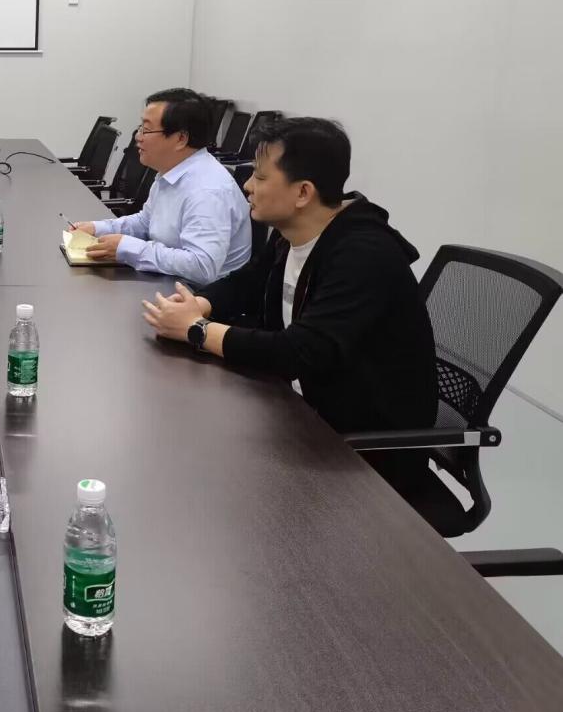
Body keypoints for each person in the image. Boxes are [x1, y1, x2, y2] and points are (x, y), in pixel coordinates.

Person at [141, 116, 438, 506]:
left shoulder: (363, 256)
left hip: (357, 455)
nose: (247, 185)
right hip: (297, 413)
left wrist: (197, 330)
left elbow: (300, 351)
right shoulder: (295, 234)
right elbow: (249, 281)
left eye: (261, 177)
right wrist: (199, 304)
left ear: (303, 192)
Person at [71, 88, 252, 284]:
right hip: (169, 283)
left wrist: (128, 249)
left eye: (147, 130)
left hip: (198, 295)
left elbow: (201, 267)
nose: (138, 137)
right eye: (140, 128)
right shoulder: (171, 172)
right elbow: (145, 223)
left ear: (180, 139)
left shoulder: (207, 191)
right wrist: (97, 228)